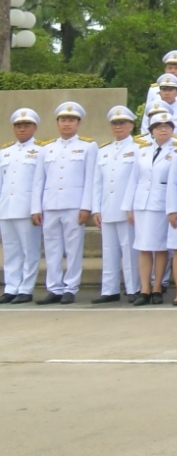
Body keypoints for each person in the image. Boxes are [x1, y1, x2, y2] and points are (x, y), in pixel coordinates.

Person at [33, 101, 97, 304]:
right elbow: (38, 181)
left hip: (74, 205)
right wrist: (36, 207)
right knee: (51, 248)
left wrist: (86, 206)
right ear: (57, 123)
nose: (66, 124)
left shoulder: (88, 146)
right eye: (63, 120)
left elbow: (90, 179)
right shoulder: (47, 148)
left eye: (71, 120)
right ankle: (54, 288)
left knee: (73, 248)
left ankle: (71, 287)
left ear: (78, 123)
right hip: (50, 204)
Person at [92, 106, 142, 305]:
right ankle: (109, 289)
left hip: (126, 208)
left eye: (123, 123)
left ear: (131, 125)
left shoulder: (138, 148)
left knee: (130, 251)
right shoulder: (103, 150)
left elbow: (138, 181)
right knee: (109, 250)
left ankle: (133, 288)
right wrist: (96, 208)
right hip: (107, 208)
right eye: (115, 123)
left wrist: (132, 206)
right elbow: (97, 183)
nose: (118, 127)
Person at [129, 112, 177, 305]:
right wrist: (129, 207)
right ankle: (144, 288)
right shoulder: (141, 151)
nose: (163, 129)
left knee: (160, 248)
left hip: (162, 205)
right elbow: (134, 180)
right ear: (151, 131)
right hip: (142, 203)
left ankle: (157, 287)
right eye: (158, 126)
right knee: (143, 247)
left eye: (167, 125)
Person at [1, 108, 44, 304]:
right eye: (18, 125)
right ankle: (11, 287)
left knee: (30, 250)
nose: (22, 129)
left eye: (26, 125)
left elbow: (39, 183)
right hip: (6, 207)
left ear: (34, 127)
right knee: (11, 250)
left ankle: (26, 288)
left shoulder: (41, 150)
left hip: (27, 208)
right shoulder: (5, 151)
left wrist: (36, 208)